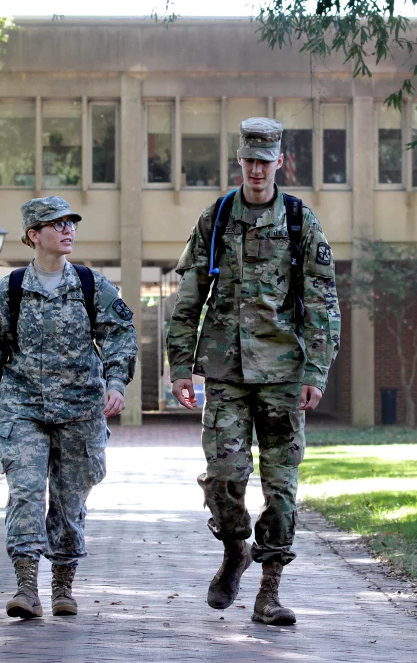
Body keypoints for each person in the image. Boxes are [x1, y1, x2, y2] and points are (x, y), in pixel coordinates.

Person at [166, 118, 341, 626]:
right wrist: (181, 365)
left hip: (285, 375)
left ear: (280, 163)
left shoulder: (299, 220)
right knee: (223, 479)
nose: (258, 169)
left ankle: (270, 590)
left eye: (266, 161)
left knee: (281, 487)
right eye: (250, 160)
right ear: (240, 161)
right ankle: (234, 549)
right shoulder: (217, 217)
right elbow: (188, 299)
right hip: (226, 372)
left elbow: (323, 303)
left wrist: (317, 370)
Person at [0, 195, 137, 620]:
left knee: (70, 501)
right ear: (34, 235)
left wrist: (116, 383)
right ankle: (25, 587)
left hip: (80, 411)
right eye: (57, 224)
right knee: (26, 494)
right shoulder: (12, 289)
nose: (68, 229)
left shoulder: (92, 285)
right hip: (22, 408)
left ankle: (63, 586)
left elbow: (119, 334)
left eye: (71, 223)